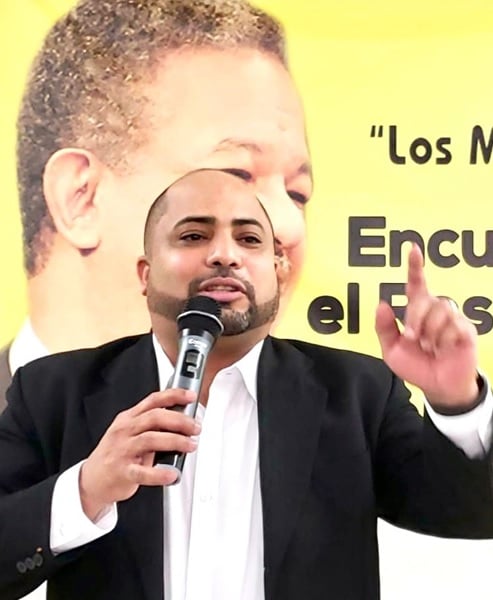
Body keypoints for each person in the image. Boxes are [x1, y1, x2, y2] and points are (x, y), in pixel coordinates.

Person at [1, 169, 492, 600]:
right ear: (145, 274)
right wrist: (85, 490)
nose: (224, 255)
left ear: (278, 271)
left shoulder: (356, 392)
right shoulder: (52, 392)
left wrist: (457, 402)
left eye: (250, 239)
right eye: (193, 236)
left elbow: (472, 512)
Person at [0, 0, 311, 410]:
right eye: (235, 175)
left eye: (298, 194)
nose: (287, 225)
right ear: (81, 197)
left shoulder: (343, 419)